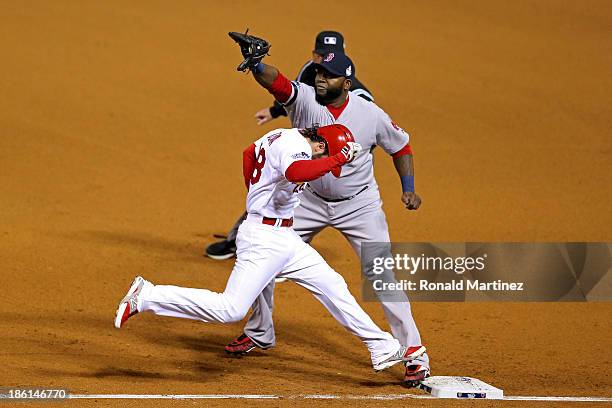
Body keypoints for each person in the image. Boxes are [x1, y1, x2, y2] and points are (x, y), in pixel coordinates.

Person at [114, 124, 426, 374]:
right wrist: (337, 160)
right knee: (231, 309)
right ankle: (148, 295)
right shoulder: (295, 147)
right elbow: (295, 173)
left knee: (331, 284)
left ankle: (380, 346)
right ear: (320, 146)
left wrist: (257, 190)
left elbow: (248, 153)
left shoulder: (284, 137)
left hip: (286, 239)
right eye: (324, 160)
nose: (324, 169)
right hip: (262, 240)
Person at [220, 32, 430, 387]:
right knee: (262, 258)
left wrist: (408, 189)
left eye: (328, 75)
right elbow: (278, 83)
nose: (319, 78)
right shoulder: (304, 101)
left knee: (381, 277)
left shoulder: (369, 114)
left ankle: (413, 353)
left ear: (346, 83)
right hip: (308, 201)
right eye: (318, 72)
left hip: (359, 206)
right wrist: (256, 65)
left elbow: (402, 147)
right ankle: (260, 331)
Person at [251, 30, 374, 127]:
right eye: (323, 55)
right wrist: (275, 111)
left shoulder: (356, 92)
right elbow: (293, 93)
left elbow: (370, 124)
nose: (328, 60)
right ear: (314, 56)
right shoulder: (309, 70)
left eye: (334, 56)